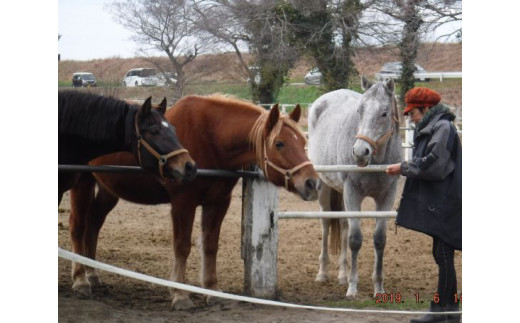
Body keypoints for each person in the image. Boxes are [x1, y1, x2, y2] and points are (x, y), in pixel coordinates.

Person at [386, 87, 462, 323]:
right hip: (445, 198)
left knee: (443, 252)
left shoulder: (442, 128)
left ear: (426, 109)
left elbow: (435, 164)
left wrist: (404, 167)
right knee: (442, 252)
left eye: (413, 113)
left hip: (448, 199)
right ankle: (451, 309)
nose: (410, 117)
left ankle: (441, 309)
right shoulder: (436, 126)